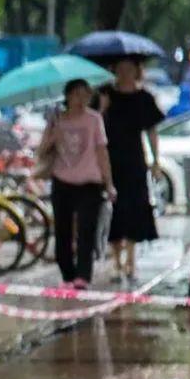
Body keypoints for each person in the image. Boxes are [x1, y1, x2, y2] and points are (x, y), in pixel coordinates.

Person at [37, 80, 116, 289]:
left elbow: (102, 151)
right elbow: (41, 151)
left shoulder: (94, 119)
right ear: (68, 96)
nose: (81, 100)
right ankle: (67, 275)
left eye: (85, 95)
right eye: (77, 95)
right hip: (62, 181)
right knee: (62, 231)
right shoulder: (56, 120)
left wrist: (109, 183)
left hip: (90, 182)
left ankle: (83, 276)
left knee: (86, 231)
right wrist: (53, 135)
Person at [100, 58, 165, 285]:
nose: (124, 73)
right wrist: (103, 108)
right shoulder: (105, 95)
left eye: (129, 69)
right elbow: (95, 124)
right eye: (120, 68)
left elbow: (152, 132)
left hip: (135, 160)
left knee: (135, 208)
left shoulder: (144, 98)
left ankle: (131, 260)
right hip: (109, 159)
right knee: (114, 210)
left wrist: (155, 162)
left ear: (136, 71)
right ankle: (116, 261)